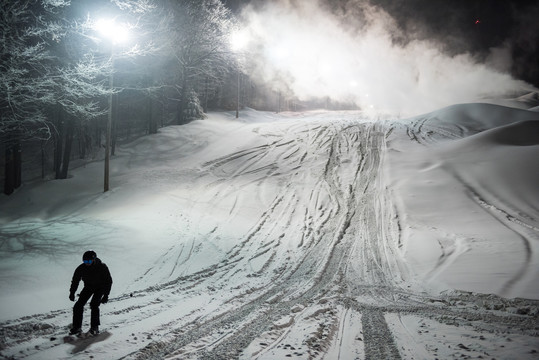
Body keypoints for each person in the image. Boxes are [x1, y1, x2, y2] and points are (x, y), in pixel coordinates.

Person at [69, 250, 113, 336]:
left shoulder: (102, 267)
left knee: (94, 305)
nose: (87, 263)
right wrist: (72, 293)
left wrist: (106, 295)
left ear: (94, 260)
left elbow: (109, 281)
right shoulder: (81, 268)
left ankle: (94, 328)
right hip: (88, 287)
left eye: (89, 261)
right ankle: (77, 327)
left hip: (100, 288)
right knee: (78, 305)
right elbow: (75, 281)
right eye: (85, 261)